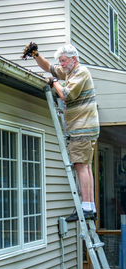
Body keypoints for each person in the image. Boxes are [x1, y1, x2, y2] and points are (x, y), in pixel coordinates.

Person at [23, 43, 100, 221]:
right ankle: (90, 207)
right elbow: (49, 68)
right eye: (61, 61)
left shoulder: (80, 72)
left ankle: (86, 207)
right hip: (85, 126)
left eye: (64, 61)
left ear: (73, 59)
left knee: (81, 165)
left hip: (82, 127)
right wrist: (35, 55)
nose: (62, 64)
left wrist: (54, 82)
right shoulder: (70, 71)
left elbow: (66, 95)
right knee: (86, 166)